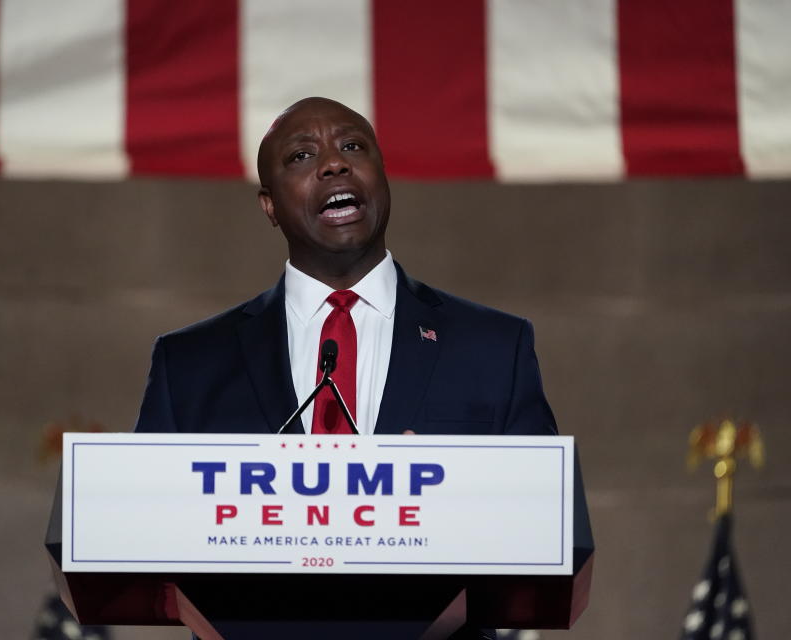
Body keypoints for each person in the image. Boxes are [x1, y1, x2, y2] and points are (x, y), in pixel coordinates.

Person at [134, 97, 558, 639]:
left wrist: (449, 499)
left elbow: (543, 527)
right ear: (269, 205)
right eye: (301, 156)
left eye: (353, 146)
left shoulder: (494, 347)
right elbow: (146, 533)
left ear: (383, 178)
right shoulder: (190, 364)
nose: (333, 163)